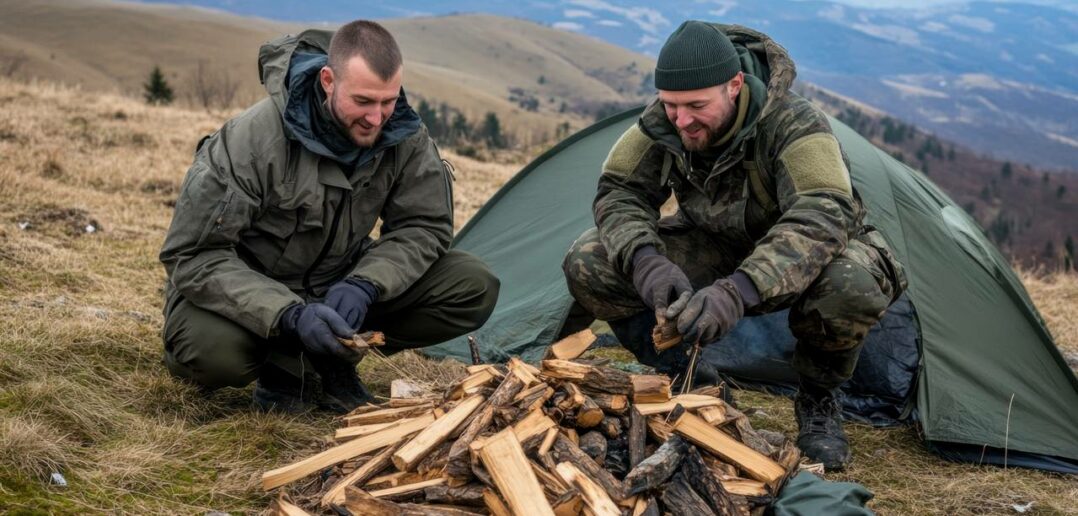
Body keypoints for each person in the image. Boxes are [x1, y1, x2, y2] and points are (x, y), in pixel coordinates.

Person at [562, 21, 906, 470]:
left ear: (735, 86)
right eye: (671, 106)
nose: (682, 120)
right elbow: (619, 191)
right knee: (590, 260)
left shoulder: (796, 124)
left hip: (816, 251)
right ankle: (692, 377)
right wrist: (646, 261)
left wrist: (738, 290)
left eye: (696, 106)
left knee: (849, 286)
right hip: (715, 243)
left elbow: (823, 214)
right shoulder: (660, 123)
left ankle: (819, 402)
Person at [159, 20, 499, 414]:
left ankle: (330, 357)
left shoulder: (405, 134)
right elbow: (193, 256)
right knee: (212, 354)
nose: (377, 118)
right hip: (251, 293)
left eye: (387, 101)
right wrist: (286, 314)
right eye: (363, 101)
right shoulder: (251, 141)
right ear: (327, 81)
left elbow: (423, 227)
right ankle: (283, 362)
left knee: (471, 286)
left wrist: (366, 284)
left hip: (337, 284)